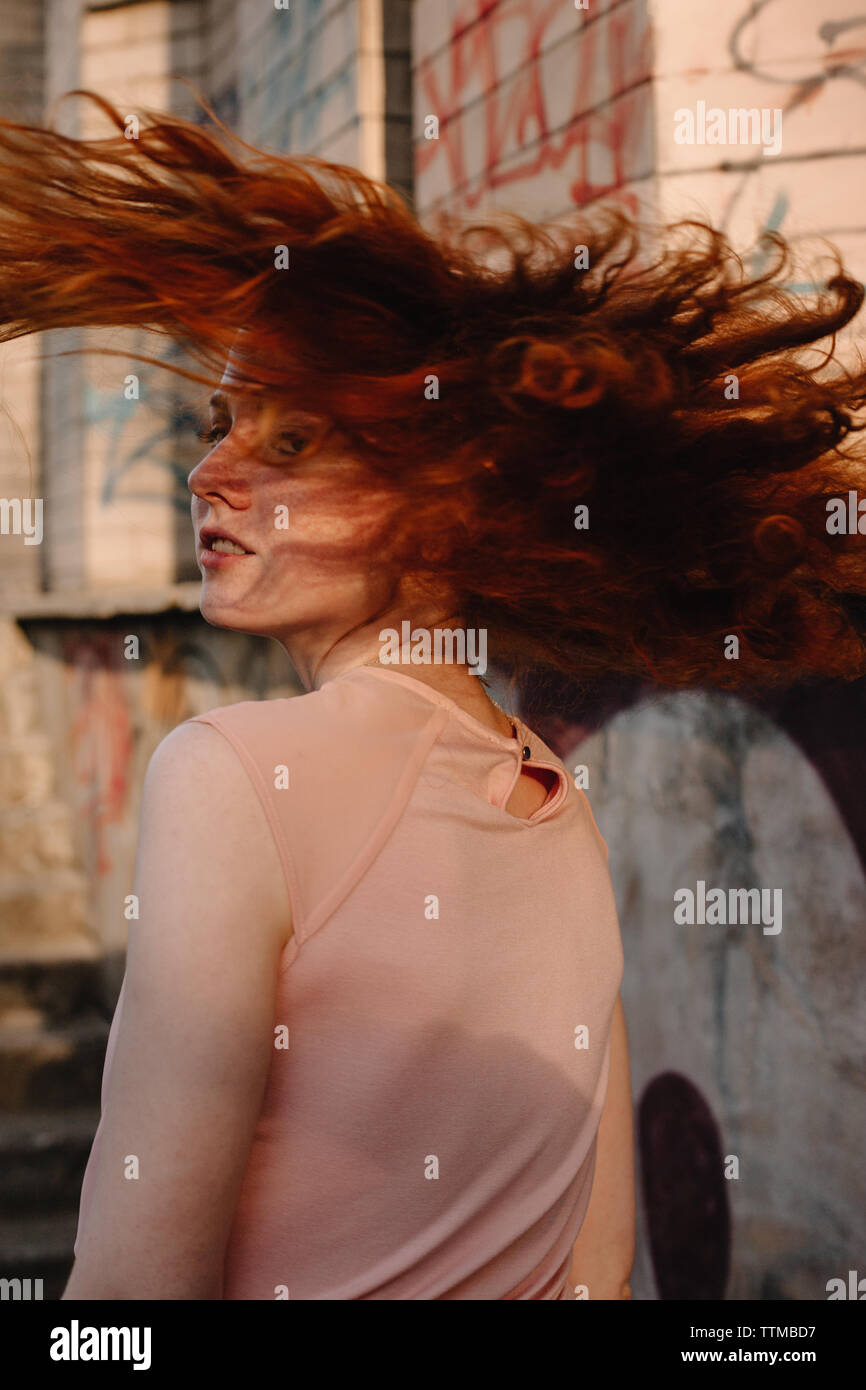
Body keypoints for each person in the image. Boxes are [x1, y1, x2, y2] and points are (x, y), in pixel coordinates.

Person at [1, 90, 864, 1299]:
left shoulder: (232, 775)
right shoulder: (560, 811)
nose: (209, 470)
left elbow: (129, 1306)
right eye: (219, 423)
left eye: (292, 443)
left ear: (442, 494)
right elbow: (601, 1280)